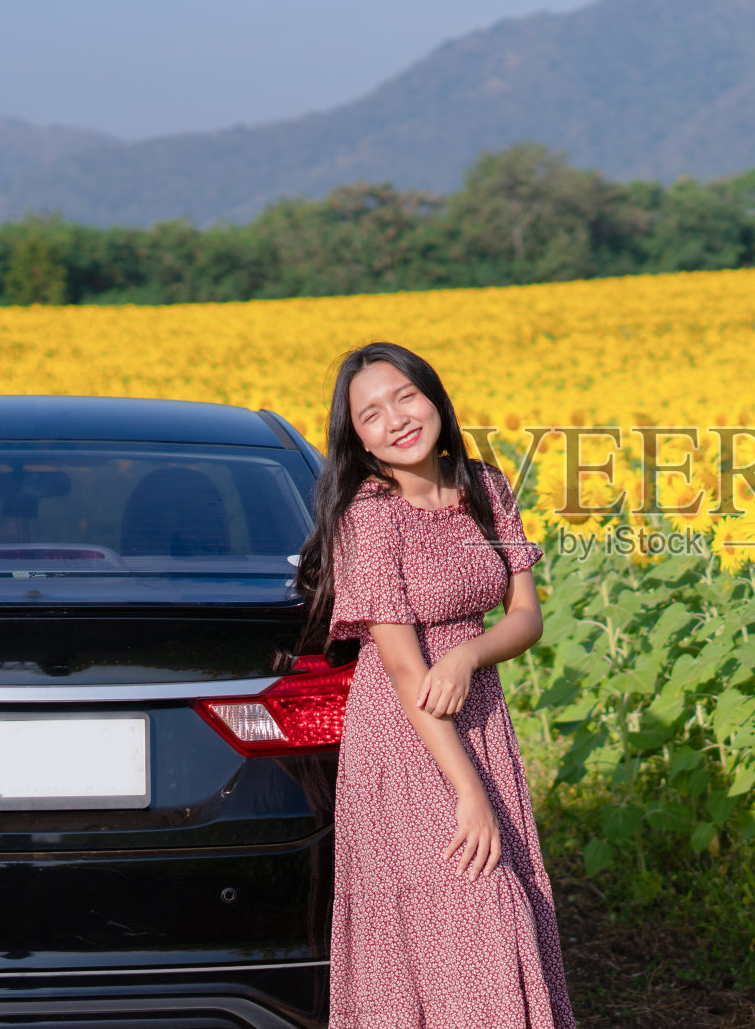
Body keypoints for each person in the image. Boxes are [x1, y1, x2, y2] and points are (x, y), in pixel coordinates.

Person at [292, 341, 576, 1028]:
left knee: (487, 909)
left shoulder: (486, 487)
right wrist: (468, 792)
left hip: (479, 716)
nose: (395, 420)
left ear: (435, 397)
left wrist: (468, 656)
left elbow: (527, 615)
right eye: (371, 414)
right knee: (474, 905)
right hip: (405, 736)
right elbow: (402, 668)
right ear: (358, 439)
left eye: (405, 397)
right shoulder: (368, 516)